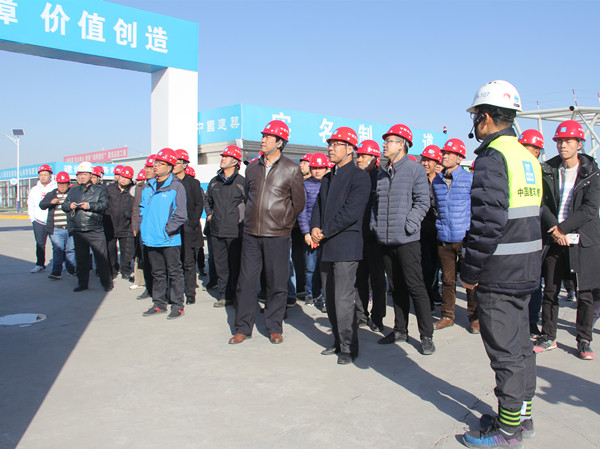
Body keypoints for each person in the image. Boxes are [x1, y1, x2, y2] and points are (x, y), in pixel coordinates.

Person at [460, 80, 541, 448]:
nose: (476, 123)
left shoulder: (492, 158)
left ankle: (507, 433)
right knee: (521, 348)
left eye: (476, 116)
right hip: (526, 270)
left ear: (487, 117)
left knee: (505, 354)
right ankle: (521, 418)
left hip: (500, 272)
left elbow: (487, 223)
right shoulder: (526, 156)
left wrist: (470, 271)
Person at [229, 120, 305, 345]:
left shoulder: (291, 168)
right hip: (251, 233)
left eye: (268, 137)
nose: (263, 140)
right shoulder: (252, 167)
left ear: (280, 142)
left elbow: (299, 203)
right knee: (246, 282)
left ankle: (274, 327)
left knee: (276, 283)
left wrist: (284, 222)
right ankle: (243, 328)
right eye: (263, 136)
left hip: (277, 235)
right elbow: (249, 196)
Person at [534, 120, 600, 360]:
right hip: (554, 237)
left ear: (579, 144)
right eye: (559, 141)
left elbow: (589, 209)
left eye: (568, 141)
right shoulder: (548, 170)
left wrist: (562, 229)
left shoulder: (592, 173)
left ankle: (584, 340)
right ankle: (548, 336)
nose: (562, 145)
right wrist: (555, 229)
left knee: (585, 293)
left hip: (582, 240)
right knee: (550, 290)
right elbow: (541, 202)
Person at [371, 124, 435, 355]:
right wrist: (375, 225)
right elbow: (376, 204)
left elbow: (423, 202)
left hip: (407, 240)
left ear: (402, 145)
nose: (384, 144)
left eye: (389, 141)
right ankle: (400, 330)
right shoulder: (382, 172)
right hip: (385, 240)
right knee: (396, 286)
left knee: (415, 286)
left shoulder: (415, 169)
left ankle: (426, 335)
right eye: (385, 140)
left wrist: (409, 225)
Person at [311, 127, 370, 364]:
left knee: (343, 299)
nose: (330, 148)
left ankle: (348, 347)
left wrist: (324, 231)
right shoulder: (327, 177)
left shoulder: (359, 177)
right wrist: (314, 227)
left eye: (336, 144)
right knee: (329, 297)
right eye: (330, 144)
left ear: (350, 149)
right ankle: (337, 341)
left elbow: (351, 212)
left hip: (346, 246)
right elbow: (318, 206)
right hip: (326, 245)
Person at [432, 138, 478, 333]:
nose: (444, 156)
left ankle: (474, 318)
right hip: (444, 237)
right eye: (444, 153)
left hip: (465, 237)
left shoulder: (469, 179)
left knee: (470, 280)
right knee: (448, 280)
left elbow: (476, 207)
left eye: (449, 153)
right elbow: (437, 206)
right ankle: (447, 315)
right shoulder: (437, 181)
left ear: (459, 157)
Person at [139, 148, 187, 319]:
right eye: (156, 163)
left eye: (161, 163)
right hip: (151, 239)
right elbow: (142, 209)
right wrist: (144, 228)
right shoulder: (148, 186)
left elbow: (181, 214)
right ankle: (159, 303)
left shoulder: (176, 187)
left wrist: (166, 230)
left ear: (170, 167)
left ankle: (178, 305)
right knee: (157, 272)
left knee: (174, 272)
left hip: (169, 240)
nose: (156, 166)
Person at [62, 161, 113, 292]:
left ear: (91, 175)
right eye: (80, 174)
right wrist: (70, 206)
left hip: (95, 228)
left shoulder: (99, 190)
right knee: (81, 260)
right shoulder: (73, 190)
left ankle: (107, 283)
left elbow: (105, 205)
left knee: (101, 258)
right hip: (78, 229)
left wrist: (90, 206)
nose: (82, 176)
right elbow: (64, 205)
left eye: (85, 174)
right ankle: (82, 283)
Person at [205, 145, 245, 308]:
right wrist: (209, 214)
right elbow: (207, 200)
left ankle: (237, 295)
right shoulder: (214, 182)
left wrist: (242, 221)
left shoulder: (242, 182)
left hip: (235, 231)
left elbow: (250, 203)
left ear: (235, 161)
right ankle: (224, 295)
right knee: (221, 265)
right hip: (216, 230)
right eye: (223, 156)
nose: (223, 159)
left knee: (236, 265)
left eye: (227, 157)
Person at [354, 140, 386, 332]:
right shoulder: (355, 178)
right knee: (360, 279)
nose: (359, 159)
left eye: (363, 156)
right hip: (358, 237)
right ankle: (360, 314)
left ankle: (378, 316)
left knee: (377, 280)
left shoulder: (381, 179)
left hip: (376, 239)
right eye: (358, 155)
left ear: (375, 159)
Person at [518, 129, 545, 338]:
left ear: (536, 151)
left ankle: (532, 321)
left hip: (539, 235)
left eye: (526, 148)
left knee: (535, 283)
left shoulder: (541, 172)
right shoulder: (516, 170)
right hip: (518, 235)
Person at [297, 152, 329, 307]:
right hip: (310, 233)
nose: (317, 171)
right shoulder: (305, 185)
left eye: (320, 168)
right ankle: (310, 294)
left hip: (326, 233)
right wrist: (306, 232)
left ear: (326, 168)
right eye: (314, 168)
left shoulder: (331, 184)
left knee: (325, 268)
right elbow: (301, 211)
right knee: (310, 267)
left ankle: (325, 297)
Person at [173, 149, 204, 305]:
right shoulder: (170, 183)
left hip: (189, 229)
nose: (174, 165)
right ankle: (175, 291)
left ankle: (190, 292)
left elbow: (199, 204)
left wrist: (191, 223)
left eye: (177, 162)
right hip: (173, 229)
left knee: (189, 262)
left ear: (185, 165)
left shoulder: (193, 183)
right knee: (174, 263)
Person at [39, 171, 76, 279]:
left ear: (68, 184)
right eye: (60, 184)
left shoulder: (73, 194)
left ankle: (71, 269)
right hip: (56, 228)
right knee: (58, 249)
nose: (62, 186)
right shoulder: (52, 194)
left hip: (70, 228)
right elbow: (42, 205)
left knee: (70, 250)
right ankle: (56, 271)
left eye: (64, 184)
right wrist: (50, 202)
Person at [419, 145, 443, 310]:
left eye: (430, 160)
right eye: (424, 159)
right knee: (424, 266)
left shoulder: (442, 181)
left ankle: (433, 292)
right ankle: (427, 297)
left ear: (437, 163)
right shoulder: (417, 180)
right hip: (421, 230)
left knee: (435, 266)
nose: (426, 163)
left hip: (438, 230)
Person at [132, 155, 156, 300]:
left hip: (157, 229)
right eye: (146, 167)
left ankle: (161, 290)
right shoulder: (140, 187)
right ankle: (149, 288)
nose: (148, 170)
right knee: (145, 259)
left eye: (151, 167)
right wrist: (135, 226)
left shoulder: (163, 186)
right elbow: (136, 208)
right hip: (143, 228)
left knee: (158, 262)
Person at [105, 165, 135, 280]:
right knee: (111, 250)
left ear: (130, 180)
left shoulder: (132, 190)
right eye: (122, 176)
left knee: (125, 250)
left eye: (127, 178)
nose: (123, 179)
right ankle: (112, 270)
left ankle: (125, 270)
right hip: (110, 225)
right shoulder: (109, 189)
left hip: (125, 226)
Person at [27, 164, 57, 273]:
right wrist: (33, 219)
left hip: (52, 221)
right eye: (41, 175)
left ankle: (60, 264)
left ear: (50, 175)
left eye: (45, 174)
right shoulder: (34, 190)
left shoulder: (55, 187)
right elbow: (30, 205)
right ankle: (40, 264)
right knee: (40, 244)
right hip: (38, 221)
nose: (43, 177)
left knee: (57, 244)